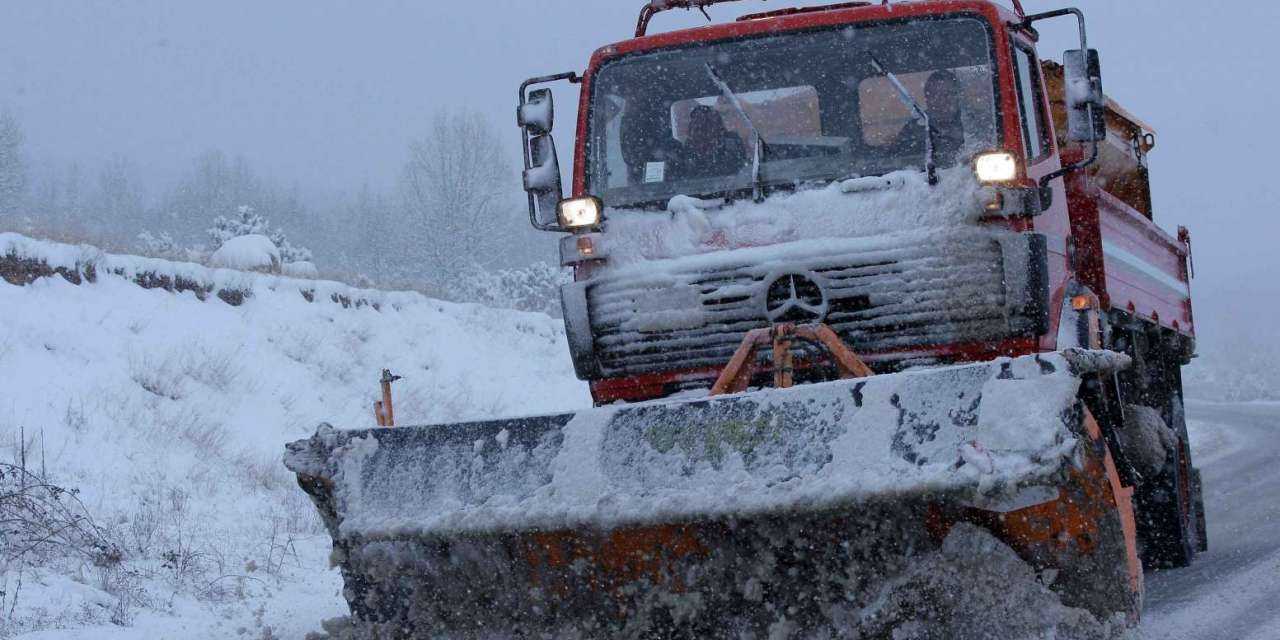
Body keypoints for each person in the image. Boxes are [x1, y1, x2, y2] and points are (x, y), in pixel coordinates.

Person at [889, 69, 967, 166]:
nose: (942, 100)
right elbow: (899, 162)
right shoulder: (912, 130)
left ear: (958, 96)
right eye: (936, 95)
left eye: (948, 94)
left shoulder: (974, 122)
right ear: (927, 98)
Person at [674, 105, 747, 180]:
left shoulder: (732, 145)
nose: (703, 132)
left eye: (708, 124)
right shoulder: (685, 153)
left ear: (719, 128)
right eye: (698, 127)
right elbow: (679, 183)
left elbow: (745, 173)